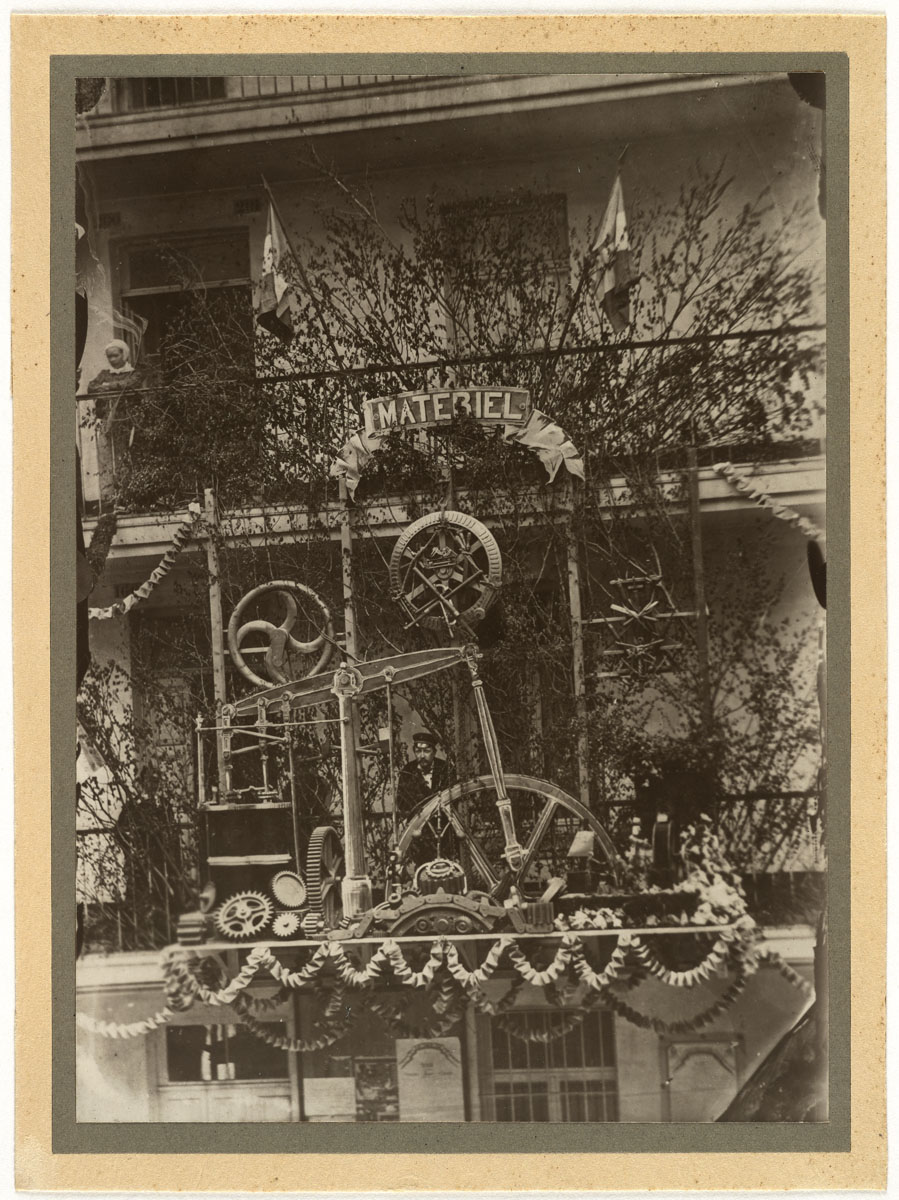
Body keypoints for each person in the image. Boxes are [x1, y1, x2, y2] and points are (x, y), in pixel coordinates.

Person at [394, 731, 451, 817]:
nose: (422, 755)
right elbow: (401, 802)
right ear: (414, 751)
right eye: (418, 751)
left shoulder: (444, 768)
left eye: (426, 751)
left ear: (434, 752)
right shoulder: (408, 770)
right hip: (417, 821)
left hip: (442, 821)